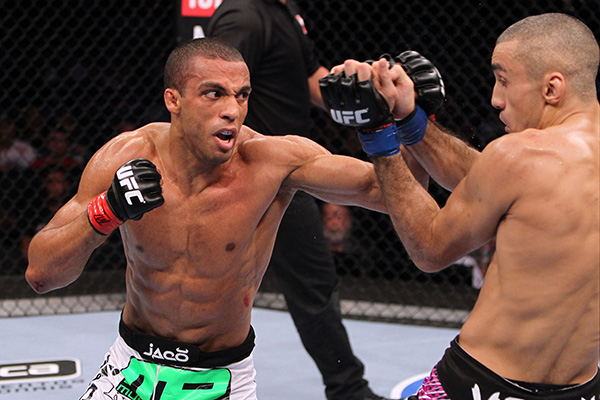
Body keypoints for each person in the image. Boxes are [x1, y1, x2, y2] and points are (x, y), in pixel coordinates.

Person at [25, 37, 404, 400]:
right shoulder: (126, 155)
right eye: (214, 93)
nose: (232, 110)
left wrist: (389, 125)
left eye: (242, 95)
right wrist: (105, 213)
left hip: (222, 378)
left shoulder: (271, 162)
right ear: (173, 100)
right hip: (129, 368)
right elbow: (41, 274)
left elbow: (398, 197)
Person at [322, 13, 599, 399]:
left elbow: (431, 249)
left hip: (481, 383)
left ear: (552, 88)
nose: (495, 98)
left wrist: (378, 134)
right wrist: (409, 119)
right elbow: (490, 181)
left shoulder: (518, 156)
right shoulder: (534, 164)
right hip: (582, 388)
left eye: (503, 79)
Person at [206, 2, 392, 399]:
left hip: (283, 177)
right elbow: (213, 89)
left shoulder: (285, 13)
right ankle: (349, 389)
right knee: (226, 285)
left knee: (312, 285)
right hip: (255, 175)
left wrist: (368, 96)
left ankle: (347, 388)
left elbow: (311, 80)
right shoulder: (245, 15)